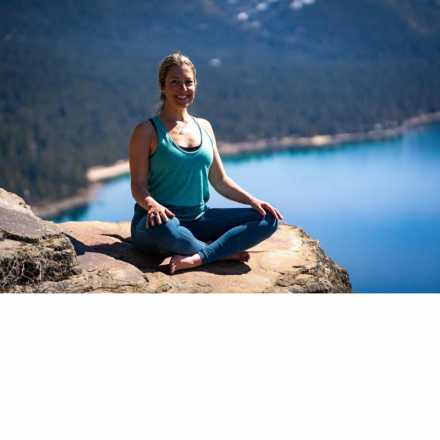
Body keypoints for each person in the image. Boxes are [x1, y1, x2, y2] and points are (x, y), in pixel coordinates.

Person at [129, 52, 283, 274]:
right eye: (175, 82)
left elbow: (220, 180)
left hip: (200, 218)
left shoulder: (204, 127)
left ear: (195, 85)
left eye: (188, 82)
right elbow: (138, 186)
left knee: (267, 219)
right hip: (158, 222)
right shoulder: (146, 131)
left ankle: (200, 256)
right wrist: (152, 205)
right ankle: (218, 252)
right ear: (162, 86)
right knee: (168, 230)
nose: (183, 89)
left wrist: (253, 201)